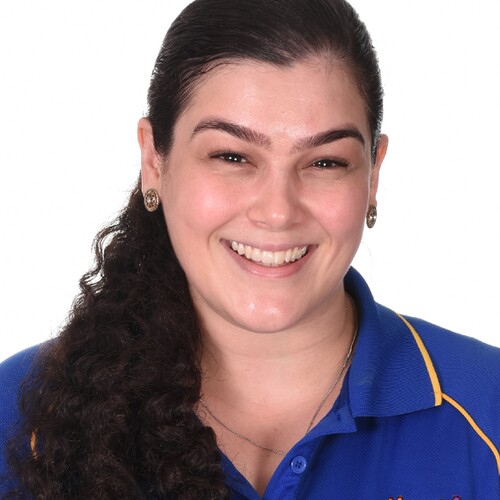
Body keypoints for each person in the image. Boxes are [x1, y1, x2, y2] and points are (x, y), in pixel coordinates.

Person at [0, 0, 499, 498]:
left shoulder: (488, 409)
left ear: (373, 175)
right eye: (232, 156)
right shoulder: (19, 414)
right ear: (154, 162)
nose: (278, 212)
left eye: (325, 162)